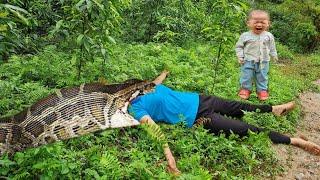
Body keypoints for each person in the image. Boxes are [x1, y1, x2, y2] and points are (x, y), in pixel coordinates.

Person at [128, 70, 320, 175]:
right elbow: (155, 130)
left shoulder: (147, 88)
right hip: (199, 118)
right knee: (245, 129)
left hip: (201, 99)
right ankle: (294, 141)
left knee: (240, 106)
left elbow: (157, 81)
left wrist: (165, 72)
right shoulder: (136, 109)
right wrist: (169, 157)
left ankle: (274, 109)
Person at [235, 10, 278, 100]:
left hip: (264, 61)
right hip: (248, 60)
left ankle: (262, 90)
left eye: (262, 22)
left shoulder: (269, 36)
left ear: (268, 23)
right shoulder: (245, 35)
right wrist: (240, 56)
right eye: (256, 22)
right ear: (248, 23)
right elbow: (239, 47)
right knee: (246, 75)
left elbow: (272, 47)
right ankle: (245, 89)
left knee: (262, 76)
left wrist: (274, 55)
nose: (259, 25)